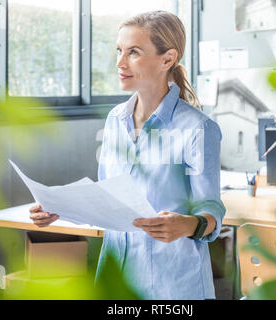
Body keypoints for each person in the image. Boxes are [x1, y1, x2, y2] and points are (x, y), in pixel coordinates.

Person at [29, 10, 226, 300]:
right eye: (119, 51)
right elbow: (107, 199)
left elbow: (212, 210)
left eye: (133, 52)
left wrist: (188, 224)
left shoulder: (198, 128)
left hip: (173, 286)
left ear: (167, 59)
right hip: (116, 278)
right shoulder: (115, 119)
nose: (120, 63)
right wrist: (61, 208)